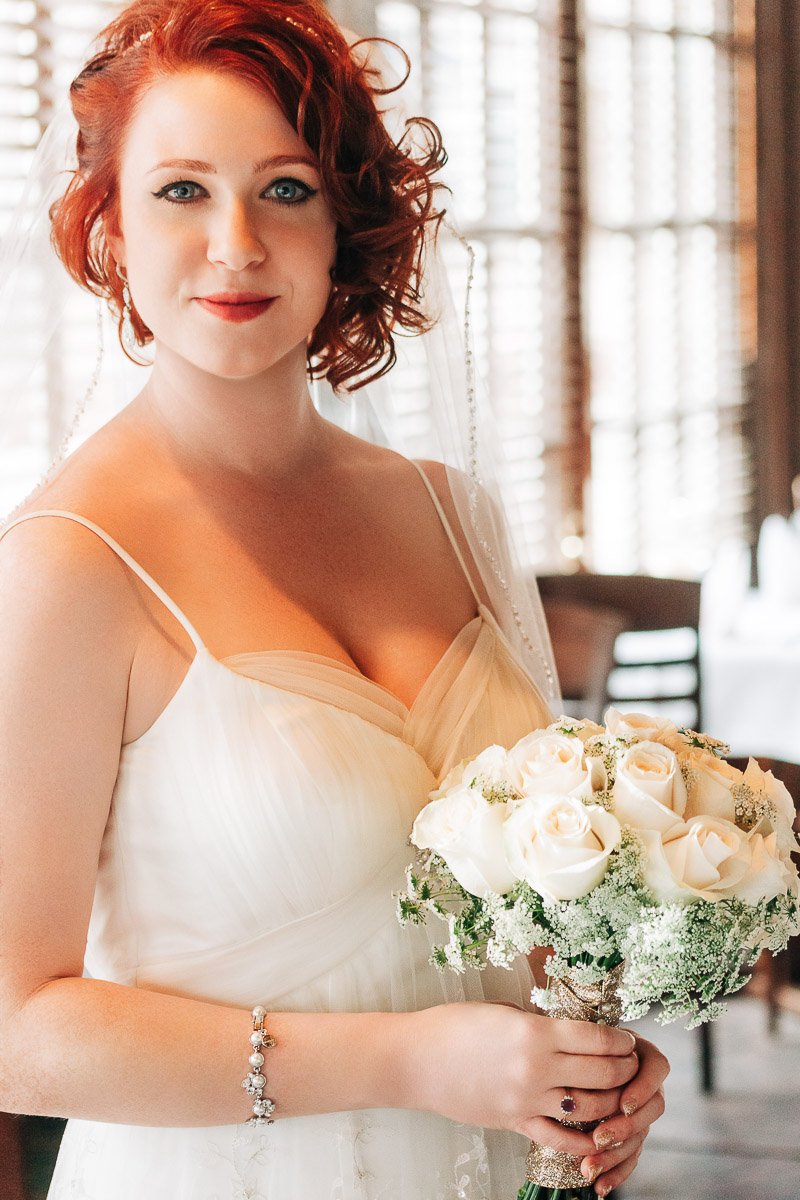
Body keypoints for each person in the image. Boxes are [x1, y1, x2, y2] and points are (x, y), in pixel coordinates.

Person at [0, 2, 668, 1197]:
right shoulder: (66, 564)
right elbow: (15, 1031)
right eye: (181, 191)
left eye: (285, 189)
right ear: (107, 229)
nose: (237, 244)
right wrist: (408, 1059)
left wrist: (587, 1064)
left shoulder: (448, 510)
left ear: (345, 221)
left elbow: (521, 899)